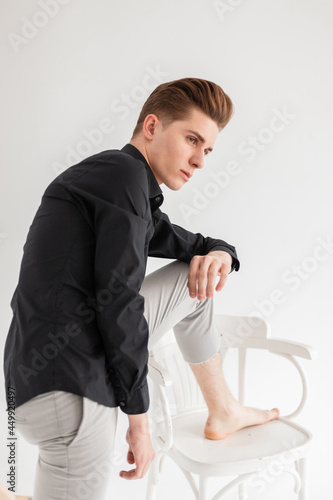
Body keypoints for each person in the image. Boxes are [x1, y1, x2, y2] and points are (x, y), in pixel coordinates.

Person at [2, 78, 279, 500]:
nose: (200, 160)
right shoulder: (124, 178)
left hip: (39, 379)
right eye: (192, 139)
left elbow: (196, 246)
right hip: (69, 386)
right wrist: (139, 419)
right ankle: (223, 410)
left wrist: (222, 254)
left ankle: (223, 410)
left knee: (196, 274)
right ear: (151, 127)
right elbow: (119, 305)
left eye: (207, 150)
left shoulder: (118, 184)